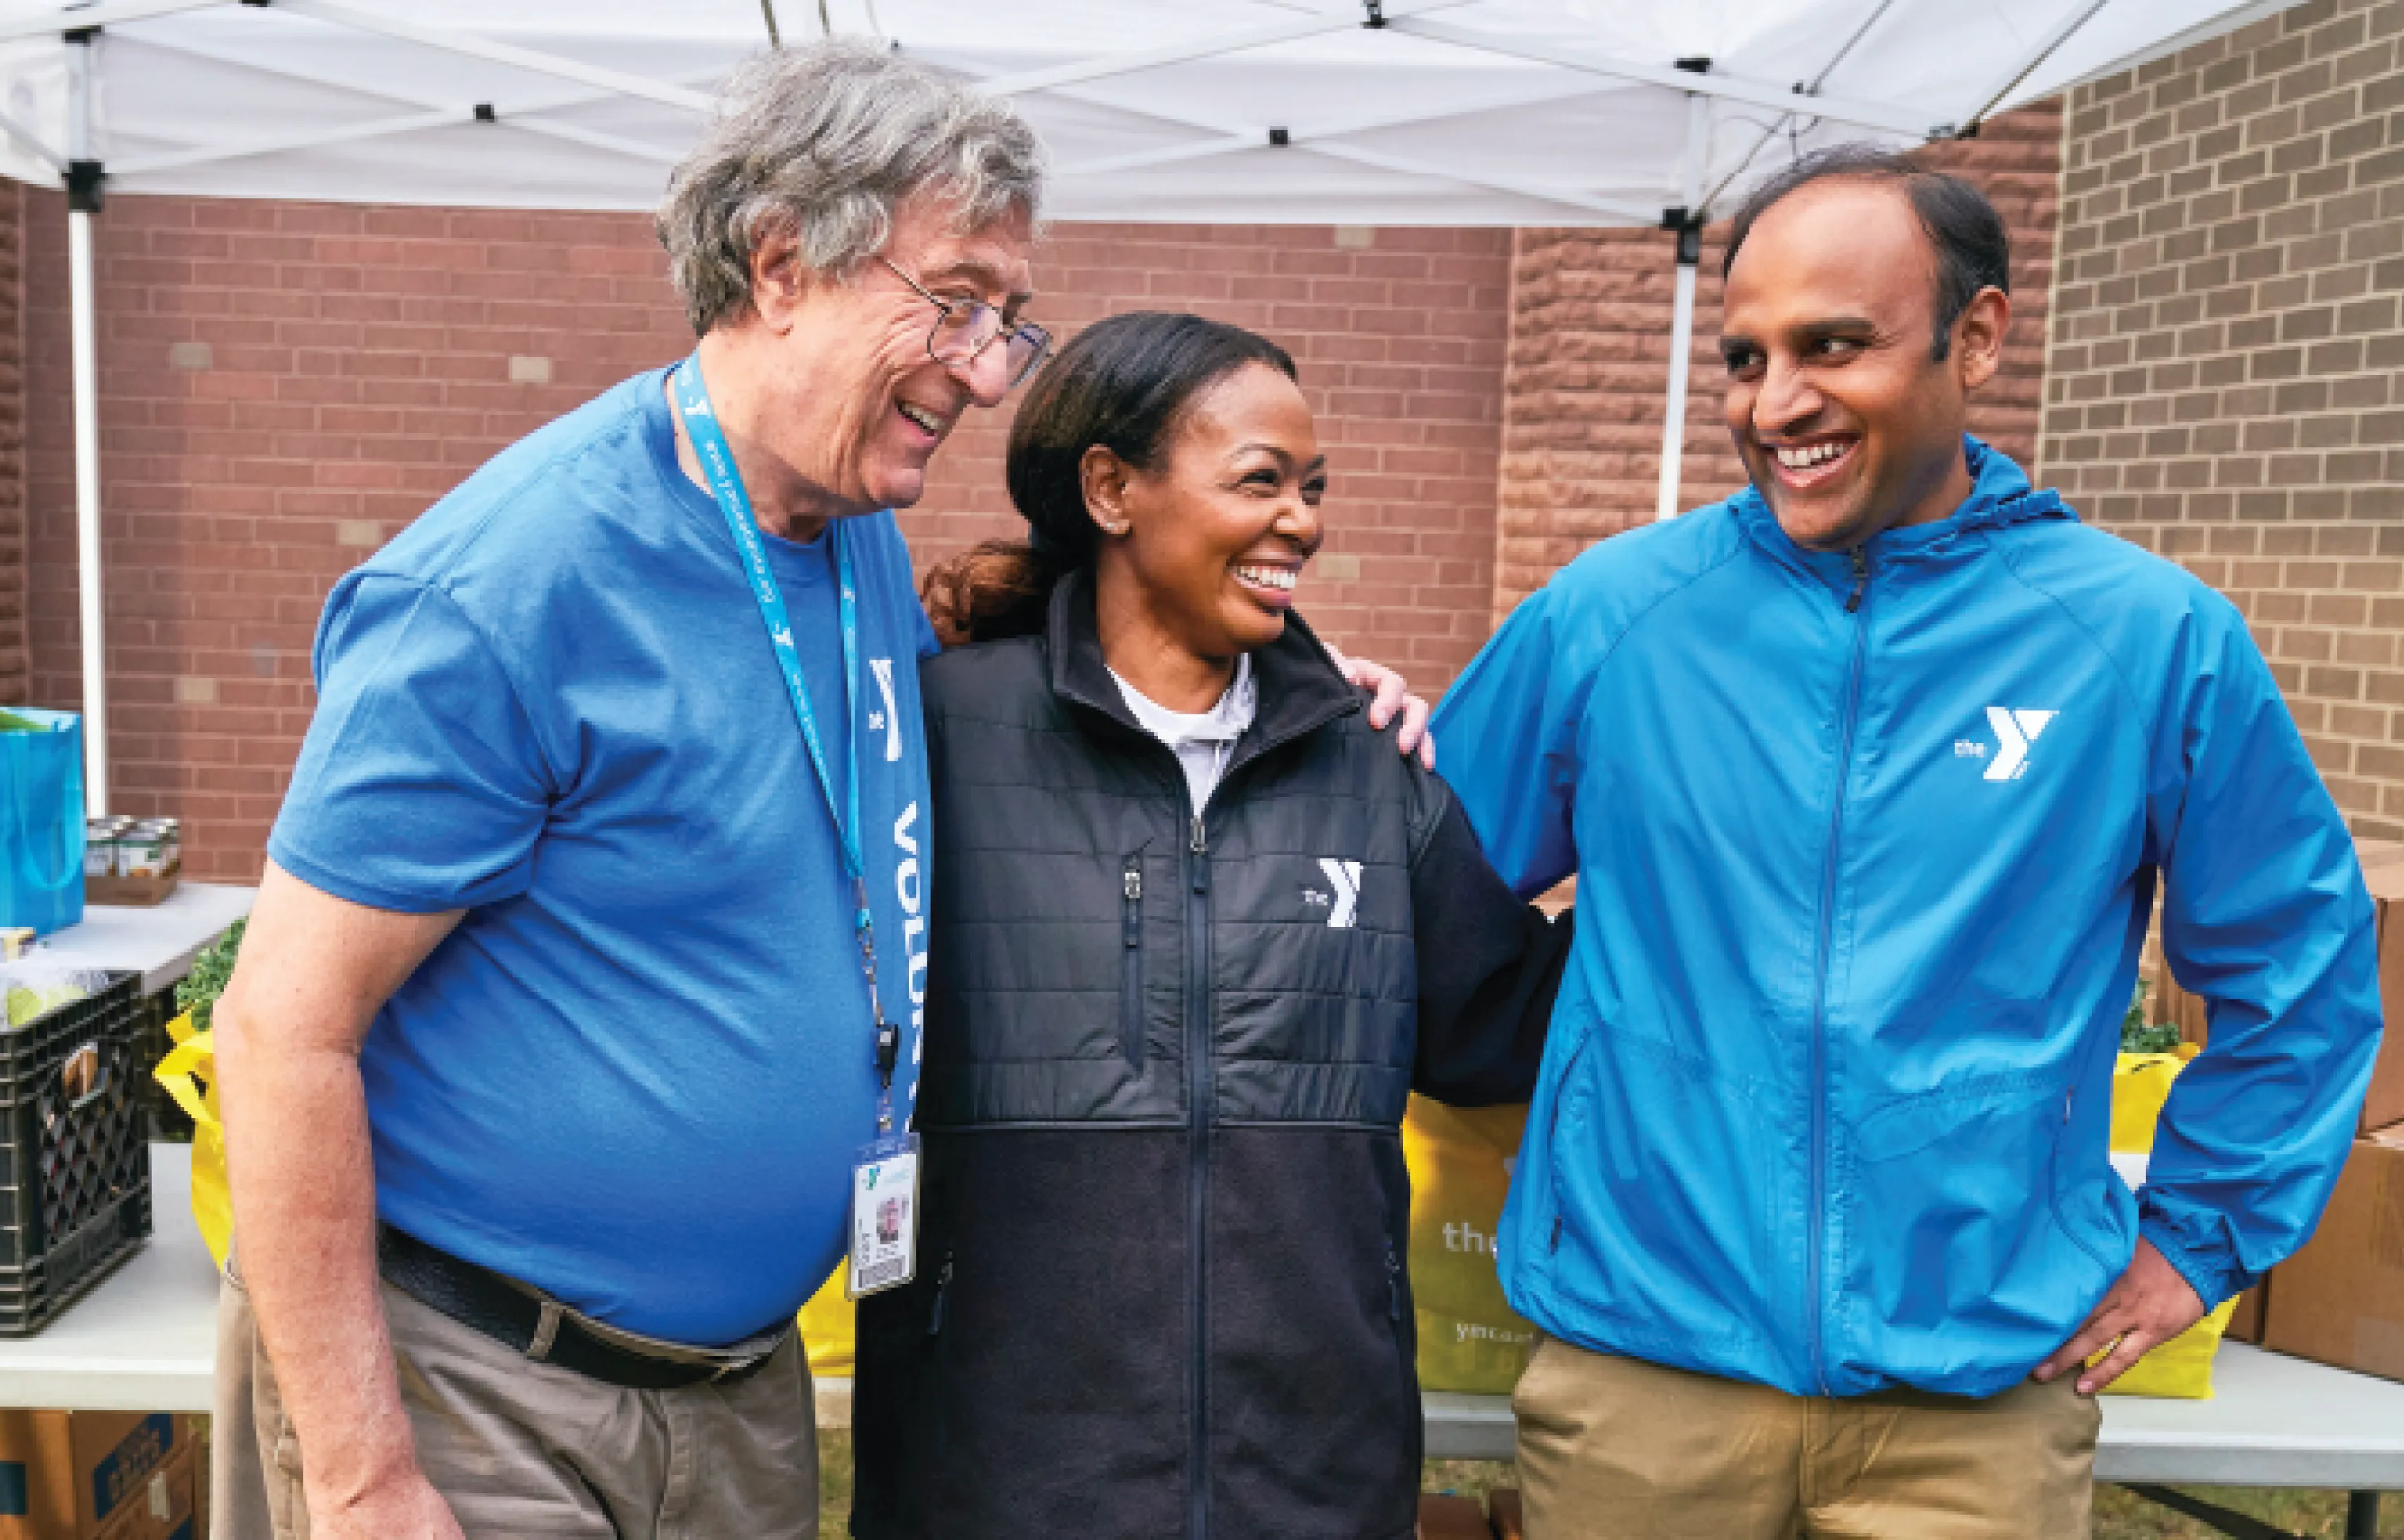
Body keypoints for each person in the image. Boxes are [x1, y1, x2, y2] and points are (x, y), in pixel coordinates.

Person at [207, 42, 1431, 1540]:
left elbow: (1036, 665)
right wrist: (362, 1476)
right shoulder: (506, 588)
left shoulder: (846, 529)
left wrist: (1293, 686)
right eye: (957, 302)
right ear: (783, 262)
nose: (989, 372)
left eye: (1009, 321)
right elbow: (279, 1031)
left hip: (736, 1388)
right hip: (482, 1391)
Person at [1430, 145, 2386, 1539]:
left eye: (1834, 347)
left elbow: (2300, 958)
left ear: (1976, 336)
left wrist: (2201, 1236)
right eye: (1747, 359)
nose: (1778, 405)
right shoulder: (1613, 616)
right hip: (1646, 1381)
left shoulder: (2146, 639)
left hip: (1977, 1409)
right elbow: (1404, 884)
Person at [850, 312, 1573, 1540]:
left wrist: (1689, 851)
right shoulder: (936, 744)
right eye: (1262, 481)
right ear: (1111, 489)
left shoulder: (1367, 766)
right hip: (996, 1480)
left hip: (1311, 1482)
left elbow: (1506, 1029)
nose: (1304, 519)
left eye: (1314, 487)